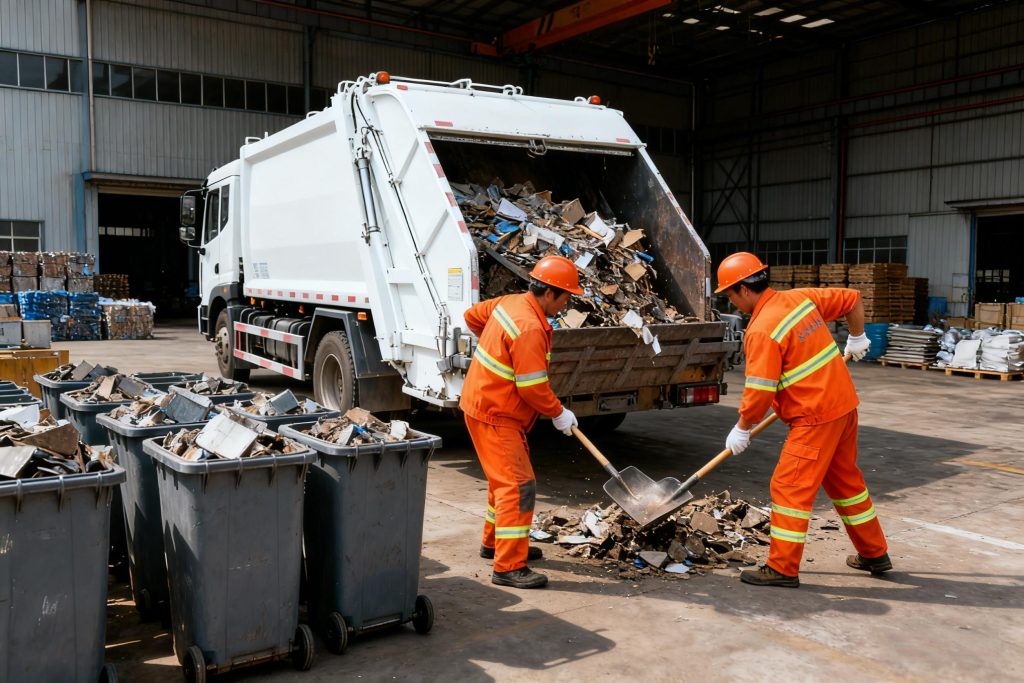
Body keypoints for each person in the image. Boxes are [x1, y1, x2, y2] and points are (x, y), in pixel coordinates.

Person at [715, 252, 891, 588]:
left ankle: (782, 568)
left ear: (744, 289)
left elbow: (759, 391)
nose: (731, 302)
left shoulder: (762, 330)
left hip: (815, 418)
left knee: (789, 488)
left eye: (730, 295)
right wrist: (857, 335)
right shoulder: (800, 299)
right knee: (846, 484)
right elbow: (852, 299)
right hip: (843, 407)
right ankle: (874, 553)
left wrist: (742, 427)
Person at [460, 255, 581, 589]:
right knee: (518, 485)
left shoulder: (509, 303)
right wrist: (558, 413)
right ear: (550, 293)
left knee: (502, 482)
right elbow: (532, 387)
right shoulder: (529, 327)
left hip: (483, 404)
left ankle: (494, 544)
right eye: (566, 297)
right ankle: (509, 566)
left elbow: (471, 317)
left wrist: (495, 346)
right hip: (496, 413)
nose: (567, 303)